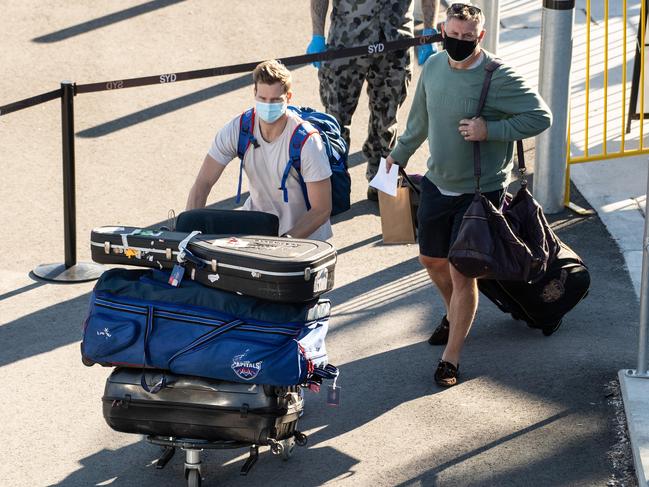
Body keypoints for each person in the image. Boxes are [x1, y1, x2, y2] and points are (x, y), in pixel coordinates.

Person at [386, 3, 552, 387]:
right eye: (452, 35)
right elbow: (418, 123)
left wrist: (488, 130)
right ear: (443, 31)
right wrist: (396, 158)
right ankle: (454, 314)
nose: (458, 43)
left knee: (464, 273)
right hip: (436, 184)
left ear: (480, 37)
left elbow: (541, 116)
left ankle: (452, 358)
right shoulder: (433, 67)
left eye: (467, 37)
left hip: (480, 192)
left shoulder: (499, 76)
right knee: (431, 260)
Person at [307, 0, 441, 201]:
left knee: (386, 121)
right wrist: (317, 34)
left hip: (396, 43)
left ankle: (381, 185)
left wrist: (429, 30)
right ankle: (333, 187)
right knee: (335, 121)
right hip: (347, 42)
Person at [186, 60, 333, 240]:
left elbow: (321, 209)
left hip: (303, 238)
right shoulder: (239, 129)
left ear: (288, 97)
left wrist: (284, 243)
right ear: (254, 93)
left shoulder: (307, 142)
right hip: (257, 230)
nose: (268, 105)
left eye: (275, 100)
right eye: (263, 99)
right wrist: (187, 235)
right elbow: (203, 184)